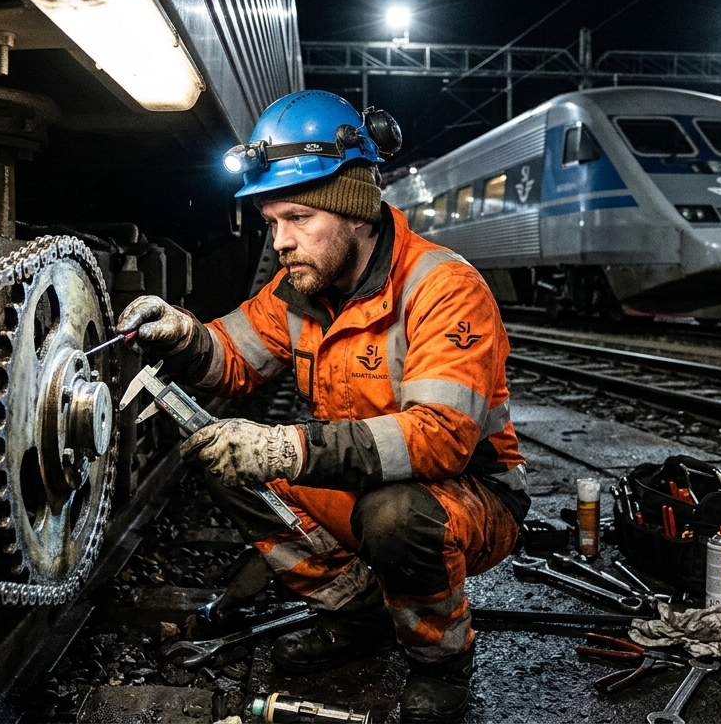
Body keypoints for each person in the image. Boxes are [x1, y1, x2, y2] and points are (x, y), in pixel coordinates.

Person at [116, 90, 529, 722]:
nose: (281, 241)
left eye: (299, 219)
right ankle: (356, 614)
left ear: (357, 212)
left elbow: (441, 439)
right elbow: (231, 357)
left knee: (395, 516)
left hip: (471, 494)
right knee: (222, 461)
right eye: (271, 222)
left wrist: (288, 447)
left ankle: (440, 661)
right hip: (356, 480)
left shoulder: (443, 287)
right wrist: (183, 332)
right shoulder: (301, 292)